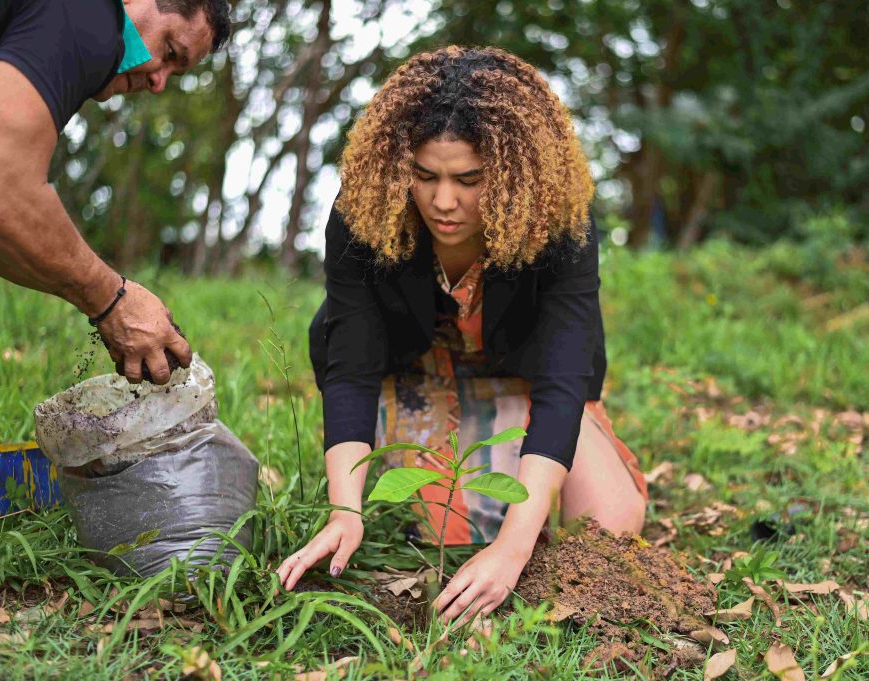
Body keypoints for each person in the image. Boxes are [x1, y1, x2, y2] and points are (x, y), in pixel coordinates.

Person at [276, 46, 648, 623]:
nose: (443, 202)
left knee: (610, 523)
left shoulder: (560, 222)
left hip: (517, 376)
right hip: (410, 374)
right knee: (431, 524)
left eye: (468, 180)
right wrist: (344, 511)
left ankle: (508, 518)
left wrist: (513, 549)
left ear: (512, 175)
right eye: (425, 176)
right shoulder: (364, 213)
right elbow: (350, 365)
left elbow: (563, 377)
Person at [0, 0, 231, 384]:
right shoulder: (89, 14)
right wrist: (114, 300)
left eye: (174, 73)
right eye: (169, 52)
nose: (159, 83)